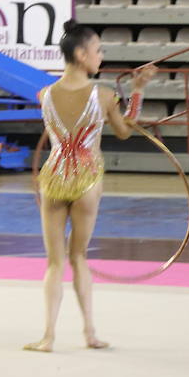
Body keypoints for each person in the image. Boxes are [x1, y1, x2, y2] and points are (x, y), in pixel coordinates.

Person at [24, 20, 156, 353]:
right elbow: (126, 131)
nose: (101, 56)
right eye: (98, 50)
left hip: (53, 176)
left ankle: (48, 336)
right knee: (78, 257)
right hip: (86, 179)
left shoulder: (45, 94)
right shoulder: (104, 95)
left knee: (54, 262)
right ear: (81, 54)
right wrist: (138, 90)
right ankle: (89, 333)